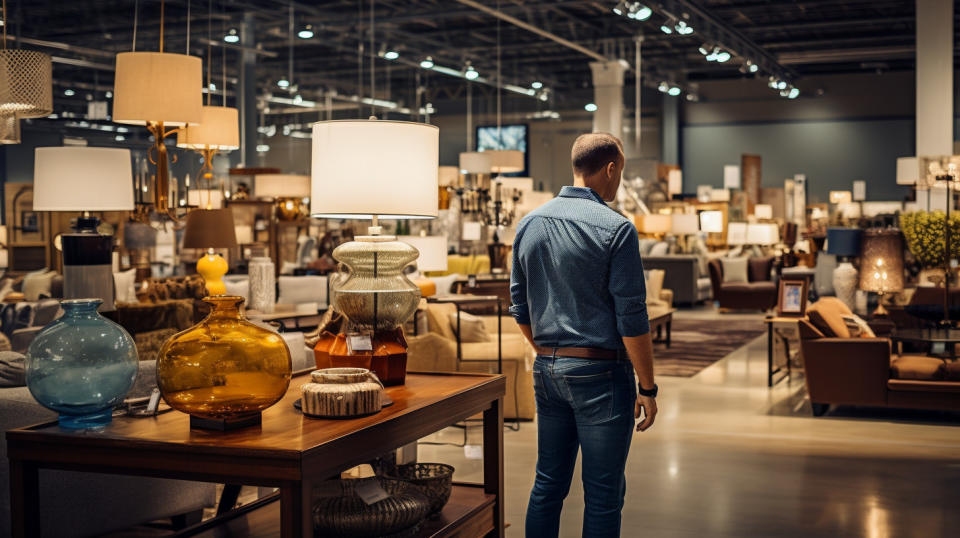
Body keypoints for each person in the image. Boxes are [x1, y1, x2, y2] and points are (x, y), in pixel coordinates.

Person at [510, 132, 658, 538]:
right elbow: (632, 317)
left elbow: (518, 306)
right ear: (610, 169)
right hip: (601, 376)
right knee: (603, 495)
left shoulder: (529, 224)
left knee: (547, 485)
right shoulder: (617, 228)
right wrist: (649, 387)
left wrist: (548, 350)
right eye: (620, 173)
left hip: (547, 371)